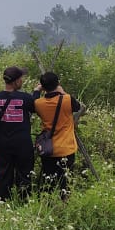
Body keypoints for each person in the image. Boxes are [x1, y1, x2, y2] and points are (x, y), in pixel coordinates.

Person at [0, 66, 37, 201]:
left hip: (4, 144)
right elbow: (35, 105)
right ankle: (23, 201)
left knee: (4, 174)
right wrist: (36, 92)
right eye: (21, 79)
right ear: (16, 82)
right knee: (25, 173)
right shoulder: (26, 98)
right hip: (23, 143)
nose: (22, 81)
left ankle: (2, 201)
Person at [32, 71, 82, 201]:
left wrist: (36, 90)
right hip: (67, 148)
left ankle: (47, 202)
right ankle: (64, 202)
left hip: (48, 149)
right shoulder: (67, 99)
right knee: (65, 182)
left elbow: (32, 102)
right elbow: (78, 107)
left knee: (48, 180)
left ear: (43, 87)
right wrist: (62, 91)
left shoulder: (39, 104)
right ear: (58, 84)